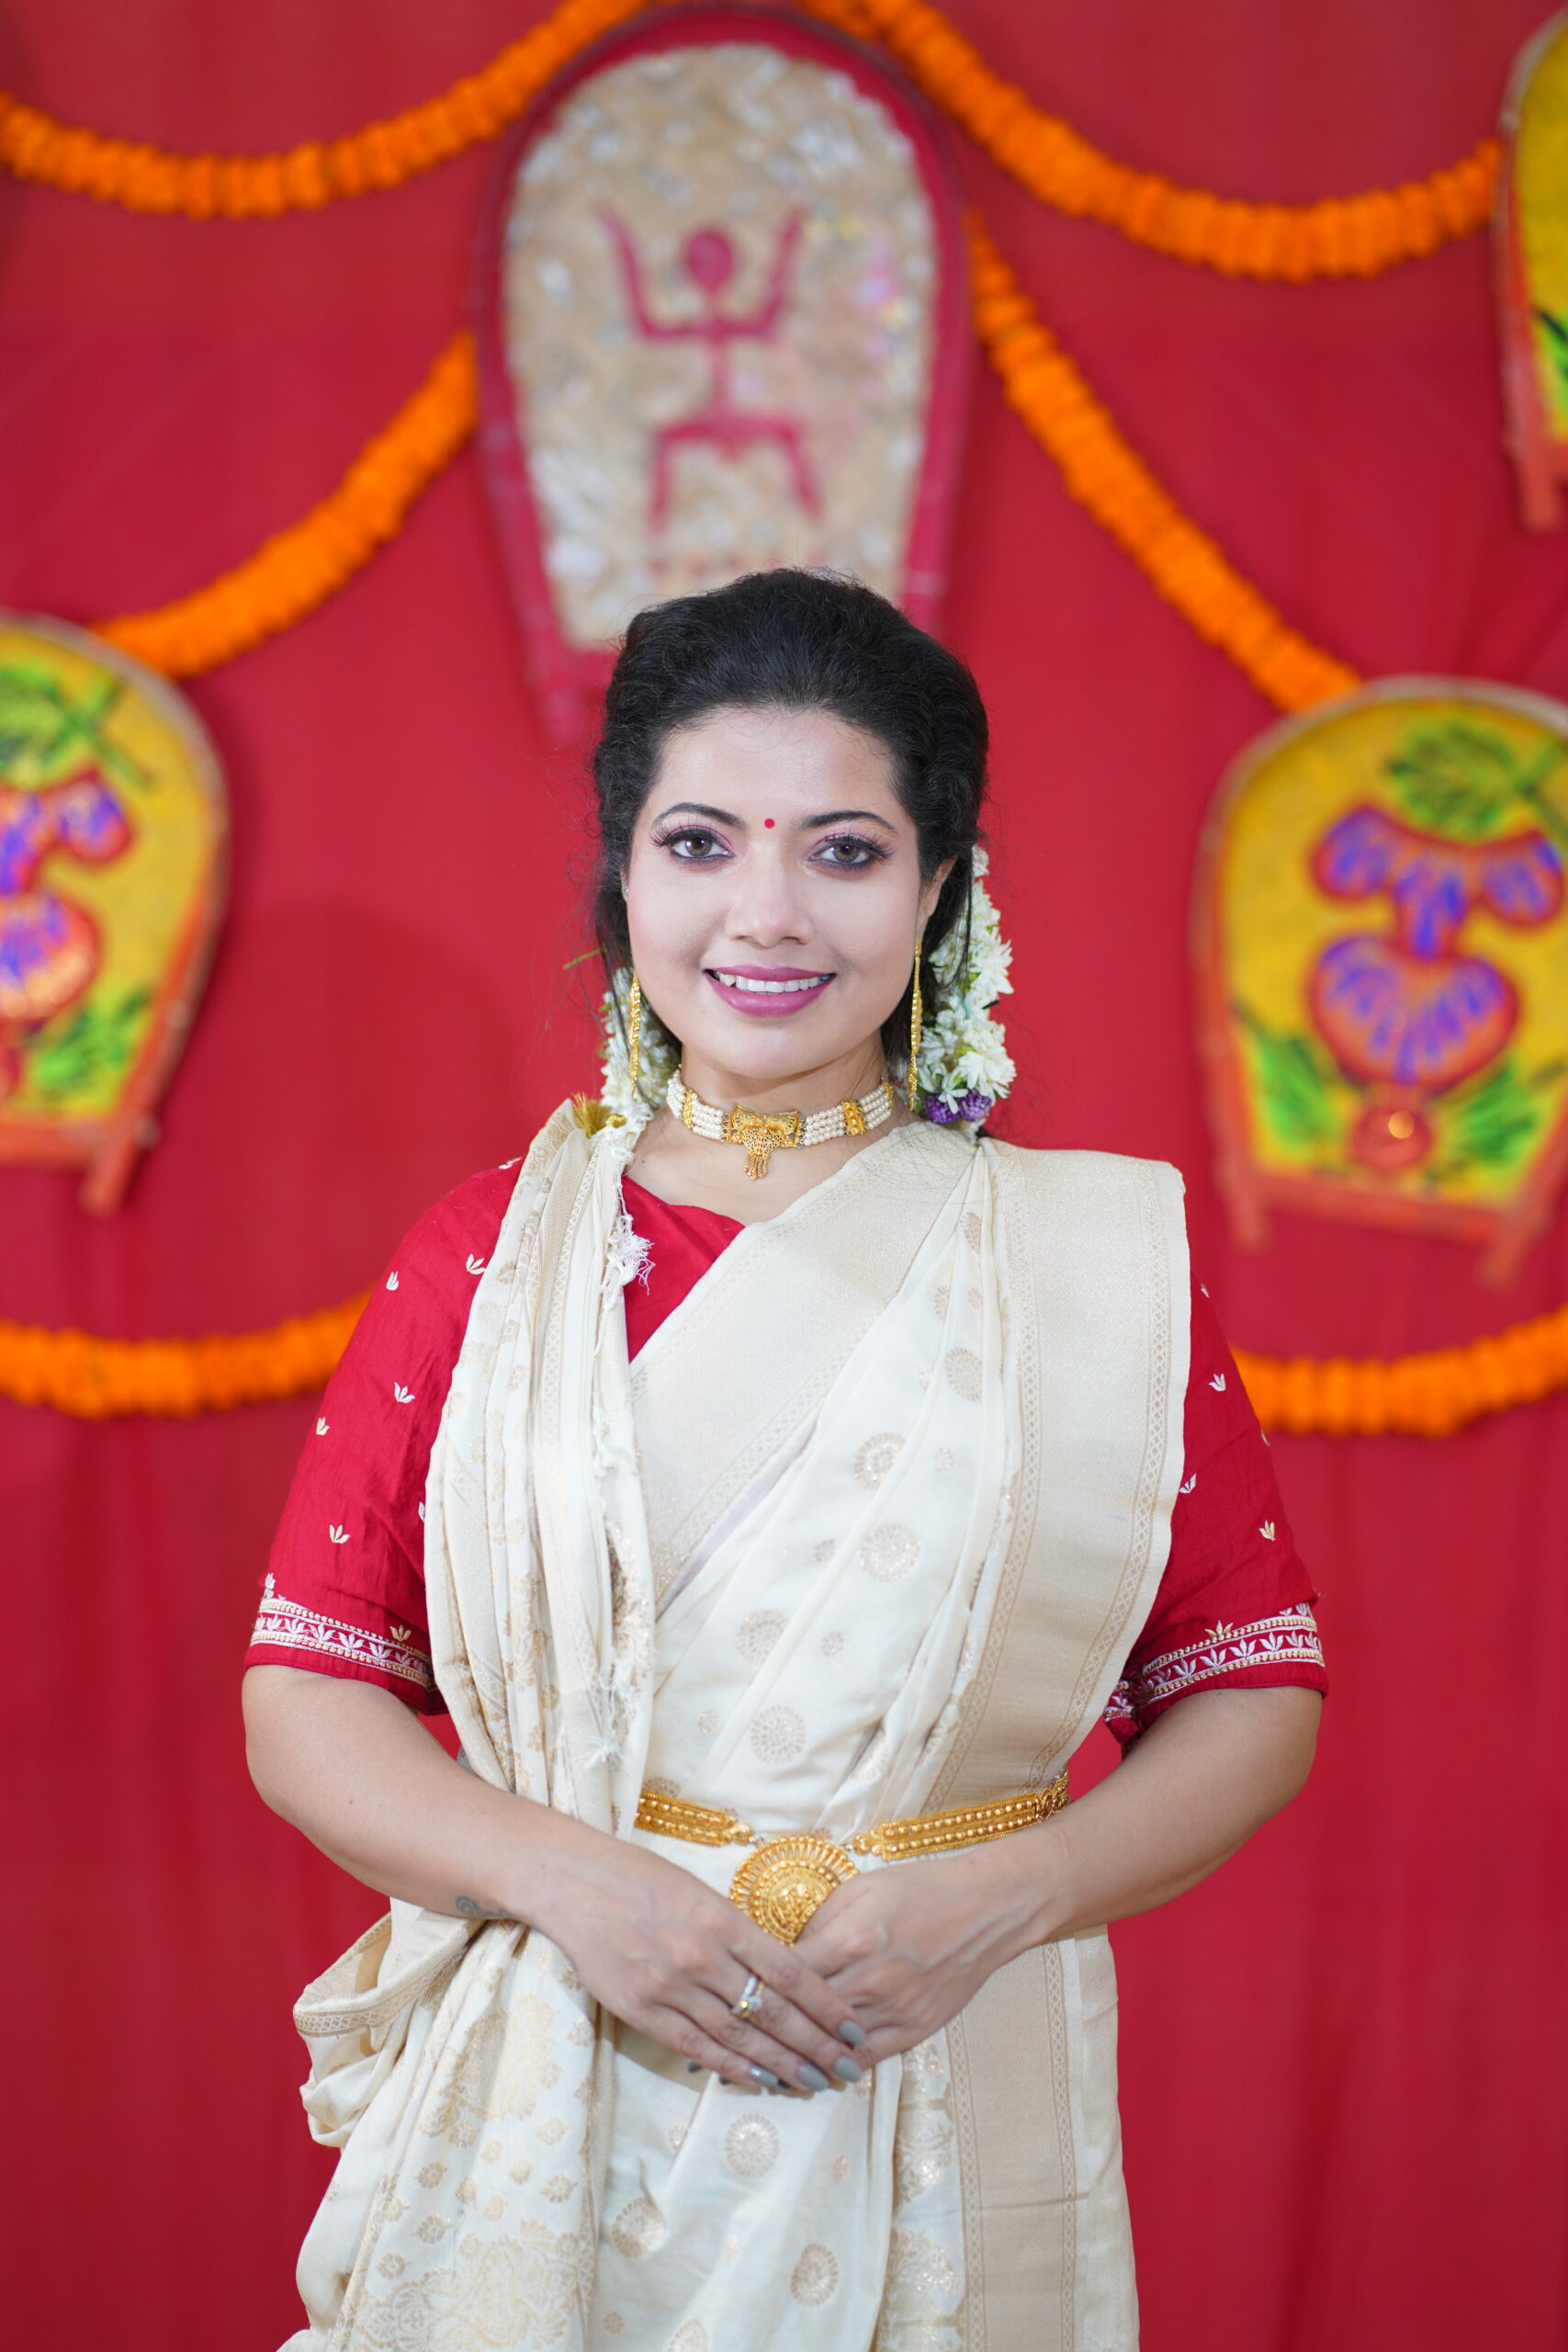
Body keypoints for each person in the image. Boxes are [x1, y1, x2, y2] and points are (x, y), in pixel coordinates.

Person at [243, 570, 1325, 2352]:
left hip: (942, 2043)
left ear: (940, 886)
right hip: (569, 2063)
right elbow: (308, 1692)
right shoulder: (488, 1261)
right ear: (623, 875)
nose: (765, 913)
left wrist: (1007, 1898)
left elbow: (1251, 1686)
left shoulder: (1083, 1265)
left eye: (843, 850)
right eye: (698, 843)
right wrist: (579, 1888)